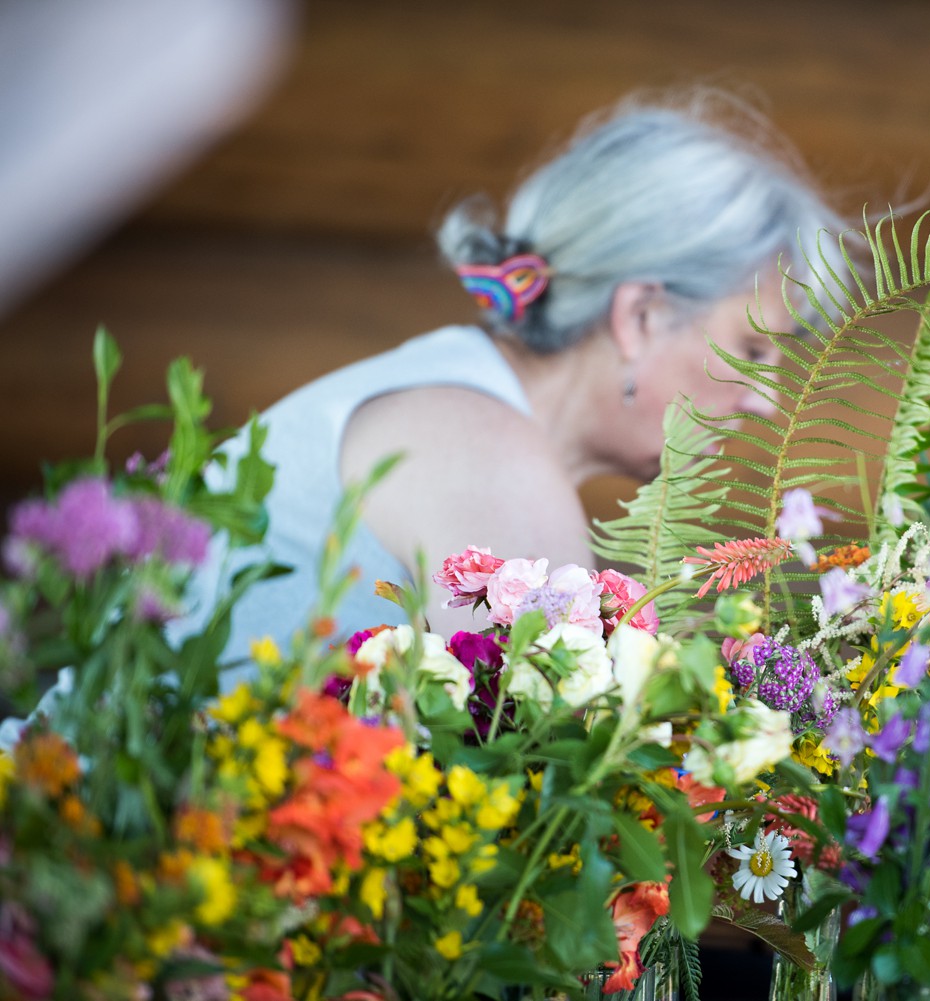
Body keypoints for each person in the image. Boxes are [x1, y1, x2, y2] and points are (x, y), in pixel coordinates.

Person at [187, 88, 847, 667]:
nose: (763, 400)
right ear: (641, 316)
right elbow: (563, 778)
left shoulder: (448, 395)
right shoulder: (488, 458)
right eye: (751, 348)